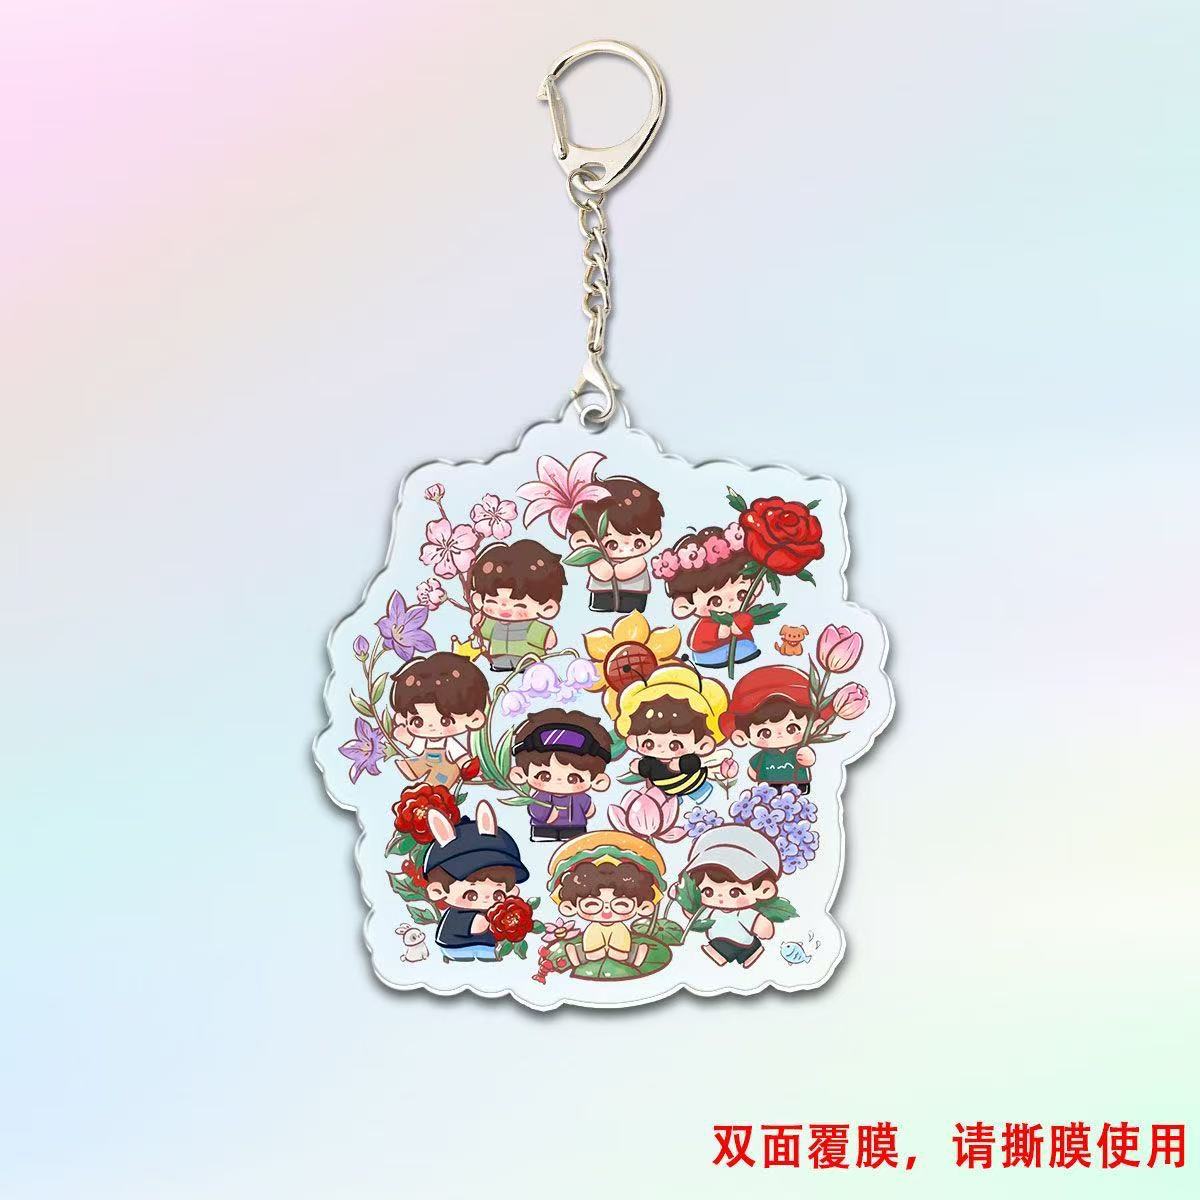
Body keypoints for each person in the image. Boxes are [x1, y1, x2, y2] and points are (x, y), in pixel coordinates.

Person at [424, 800, 529, 963]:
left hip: (486, 946)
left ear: (512, 891)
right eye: (471, 895)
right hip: (456, 946)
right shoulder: (459, 915)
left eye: (498, 894)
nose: (487, 899)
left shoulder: (494, 912)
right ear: (437, 891)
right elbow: (478, 926)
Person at [547, 831, 666, 970]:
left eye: (621, 904)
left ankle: (633, 954)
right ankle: (581, 954)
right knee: (593, 952)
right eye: (592, 904)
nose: (607, 912)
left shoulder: (620, 927)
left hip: (619, 934)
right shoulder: (593, 928)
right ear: (569, 907)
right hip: (594, 934)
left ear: (643, 907)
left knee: (620, 952)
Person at [614, 663, 729, 804]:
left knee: (701, 795)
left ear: (702, 744)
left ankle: (700, 793)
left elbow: (693, 764)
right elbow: (646, 767)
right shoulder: (651, 761)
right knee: (669, 803)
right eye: (648, 744)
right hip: (666, 790)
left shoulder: (688, 759)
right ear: (633, 741)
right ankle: (673, 801)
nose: (661, 749)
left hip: (693, 784)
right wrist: (639, 767)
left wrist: (680, 764)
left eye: (675, 745)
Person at [653, 525, 762, 669]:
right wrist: (721, 630)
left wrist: (742, 626)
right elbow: (699, 640)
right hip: (709, 652)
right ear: (685, 605)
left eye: (741, 594)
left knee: (745, 647)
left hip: (739, 645)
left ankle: (742, 652)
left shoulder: (740, 613)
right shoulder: (707, 622)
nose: (731, 602)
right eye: (715, 601)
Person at [682, 824, 781, 968]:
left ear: (765, 890)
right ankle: (753, 951)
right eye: (708, 891)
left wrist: (763, 926)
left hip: (728, 943)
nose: (720, 897)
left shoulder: (743, 913)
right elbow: (694, 916)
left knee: (717, 951)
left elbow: (760, 925)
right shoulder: (710, 910)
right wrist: (683, 899)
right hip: (734, 942)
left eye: (735, 892)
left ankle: (749, 952)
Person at [508, 708, 613, 841]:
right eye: (544, 776)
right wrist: (547, 814)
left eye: (573, 779)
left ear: (599, 781)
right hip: (544, 830)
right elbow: (536, 809)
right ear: (519, 774)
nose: (558, 782)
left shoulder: (580, 797)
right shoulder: (540, 797)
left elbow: (589, 810)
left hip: (575, 830)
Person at [566, 475, 664, 613]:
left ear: (654, 537)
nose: (625, 549)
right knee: (601, 607)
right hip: (602, 590)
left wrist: (619, 571)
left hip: (634, 589)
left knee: (632, 611)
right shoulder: (596, 555)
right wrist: (601, 567)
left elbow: (635, 566)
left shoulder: (636, 560)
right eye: (612, 544)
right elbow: (600, 572)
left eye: (638, 543)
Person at [720, 664, 824, 792]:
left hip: (799, 785)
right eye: (765, 733)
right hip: (768, 788)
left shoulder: (799, 751)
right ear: (741, 736)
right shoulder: (763, 756)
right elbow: (753, 771)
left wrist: (808, 758)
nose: (780, 735)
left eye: (792, 728)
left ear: (815, 727)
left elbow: (809, 760)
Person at [389, 652, 486, 788]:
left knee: (445, 772)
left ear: (474, 719)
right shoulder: (426, 742)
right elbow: (418, 746)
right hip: (424, 760)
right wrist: (406, 738)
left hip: (444, 767)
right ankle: (413, 770)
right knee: (420, 761)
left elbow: (460, 757)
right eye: (418, 722)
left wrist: (468, 765)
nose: (431, 727)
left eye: (445, 721)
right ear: (402, 718)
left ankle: (431, 787)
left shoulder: (449, 744)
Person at [469, 539, 565, 671]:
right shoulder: (494, 624)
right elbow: (482, 630)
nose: (504, 607)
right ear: (480, 600)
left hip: (527, 659)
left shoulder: (531, 627)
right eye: (493, 602)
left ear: (547, 608)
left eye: (519, 605)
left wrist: (547, 637)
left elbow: (546, 638)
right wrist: (479, 622)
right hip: (499, 658)